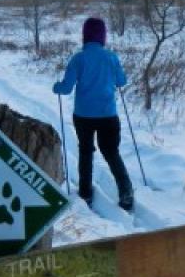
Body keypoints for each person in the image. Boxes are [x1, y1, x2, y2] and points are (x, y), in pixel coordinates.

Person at [53, 17, 134, 211]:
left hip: (84, 116)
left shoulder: (78, 58)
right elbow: (122, 81)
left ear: (85, 34)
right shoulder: (111, 57)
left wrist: (56, 86)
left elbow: (65, 89)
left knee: (85, 152)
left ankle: (85, 193)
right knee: (111, 152)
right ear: (103, 35)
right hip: (108, 114)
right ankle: (126, 191)